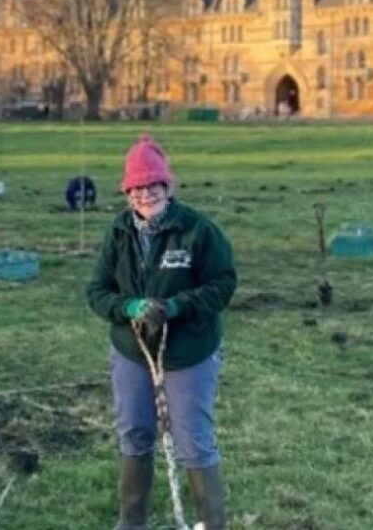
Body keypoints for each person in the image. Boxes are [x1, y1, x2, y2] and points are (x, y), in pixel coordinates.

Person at [86, 135, 237, 530]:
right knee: (135, 433)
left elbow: (223, 284)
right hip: (132, 351)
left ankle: (211, 523)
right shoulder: (119, 232)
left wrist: (175, 307)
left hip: (188, 351)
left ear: (167, 187)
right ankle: (132, 522)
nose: (144, 194)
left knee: (193, 441)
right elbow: (97, 291)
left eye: (152, 186)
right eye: (136, 187)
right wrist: (128, 308)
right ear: (127, 191)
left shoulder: (197, 230)